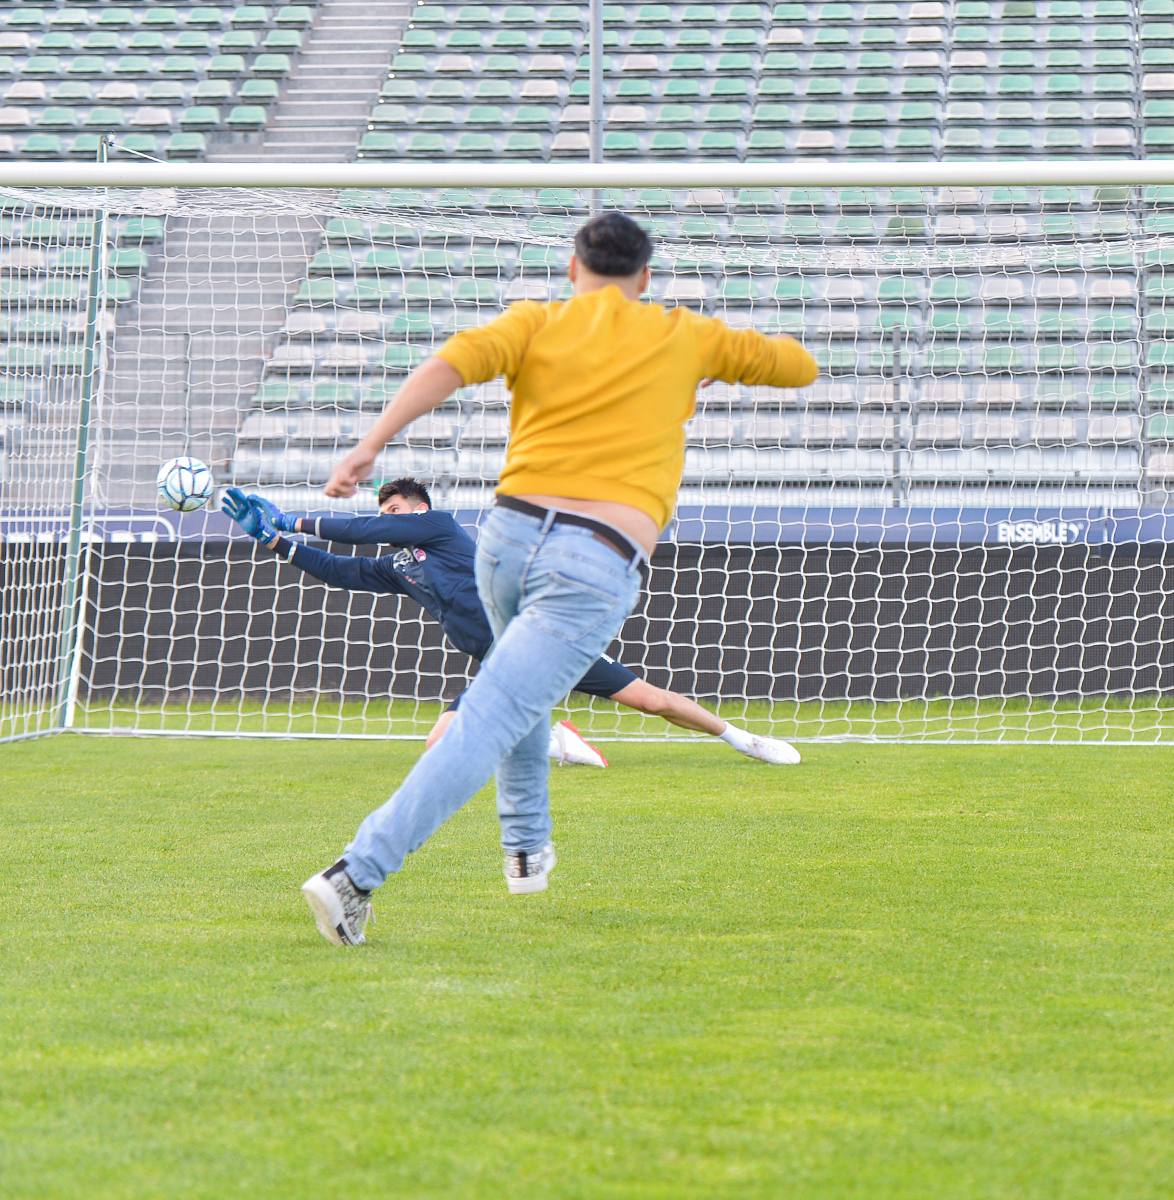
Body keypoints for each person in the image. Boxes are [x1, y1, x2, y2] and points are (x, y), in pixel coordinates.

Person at [298, 210, 817, 945]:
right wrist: (709, 348)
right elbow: (798, 366)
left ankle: (526, 847)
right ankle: (357, 873)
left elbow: (445, 365)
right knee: (489, 719)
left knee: (519, 701)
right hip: (593, 559)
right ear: (643, 278)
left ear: (574, 270)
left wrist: (365, 450)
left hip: (506, 545)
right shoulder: (681, 334)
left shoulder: (536, 322)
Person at [220, 475, 801, 767]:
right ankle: (552, 739)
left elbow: (363, 533)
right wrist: (274, 540)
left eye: (395, 510)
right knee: (439, 742)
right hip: (502, 663)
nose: (388, 520)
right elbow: (341, 570)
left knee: (653, 702)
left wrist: (294, 518)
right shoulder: (401, 566)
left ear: (418, 509)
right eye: (384, 513)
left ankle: (745, 741)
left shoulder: (440, 527)